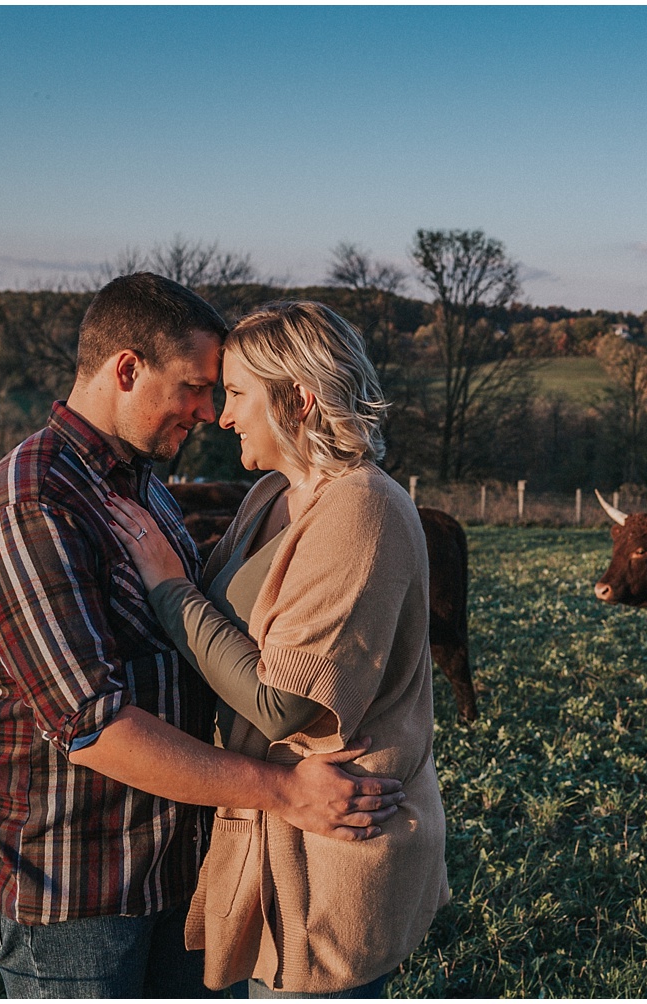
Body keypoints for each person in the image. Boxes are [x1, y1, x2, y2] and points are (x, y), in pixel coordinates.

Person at [0, 273, 405, 999]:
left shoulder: (141, 481)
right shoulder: (33, 507)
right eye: (195, 386)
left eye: (222, 391)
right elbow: (96, 729)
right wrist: (284, 791)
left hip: (170, 866)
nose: (209, 410)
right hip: (73, 884)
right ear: (127, 369)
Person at [105, 299, 449, 998]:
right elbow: (222, 620)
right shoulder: (274, 495)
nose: (221, 416)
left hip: (332, 852)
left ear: (300, 398)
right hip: (272, 831)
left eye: (235, 394)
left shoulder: (362, 509)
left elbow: (282, 702)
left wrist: (169, 589)